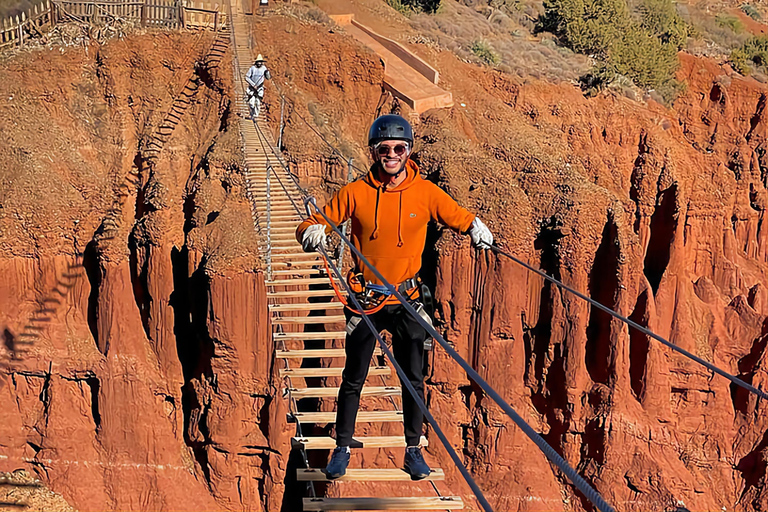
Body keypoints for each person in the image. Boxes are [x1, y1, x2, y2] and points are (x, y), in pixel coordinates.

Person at [295, 114, 494, 480]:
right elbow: (313, 222)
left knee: (413, 378)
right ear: (374, 152)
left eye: (398, 148)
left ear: (409, 151)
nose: (391, 155)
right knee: (353, 376)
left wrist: (475, 227)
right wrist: (311, 233)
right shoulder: (355, 193)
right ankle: (342, 446)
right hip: (365, 300)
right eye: (384, 149)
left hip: (406, 300)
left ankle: (413, 450)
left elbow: (458, 216)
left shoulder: (426, 192)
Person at [245, 54, 270, 119]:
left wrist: (267, 73)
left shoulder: (264, 68)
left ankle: (255, 115)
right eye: (258, 62)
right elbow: (247, 77)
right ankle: (252, 113)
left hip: (259, 88)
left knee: (257, 103)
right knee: (251, 103)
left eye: (260, 62)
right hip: (252, 88)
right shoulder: (252, 68)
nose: (259, 63)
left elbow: (268, 77)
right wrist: (253, 85)